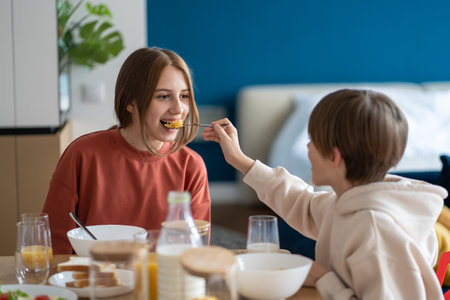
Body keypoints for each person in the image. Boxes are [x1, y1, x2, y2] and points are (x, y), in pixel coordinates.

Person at [202, 89, 448, 299]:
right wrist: (240, 160)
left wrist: (325, 278)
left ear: (335, 157)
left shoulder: (374, 230)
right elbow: (303, 203)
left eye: (312, 140)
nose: (307, 147)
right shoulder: (349, 201)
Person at [43, 47, 211, 254]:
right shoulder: (82, 154)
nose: (178, 109)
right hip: (95, 281)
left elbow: (196, 251)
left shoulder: (191, 166)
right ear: (131, 102)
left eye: (184, 96)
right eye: (164, 97)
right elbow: (55, 244)